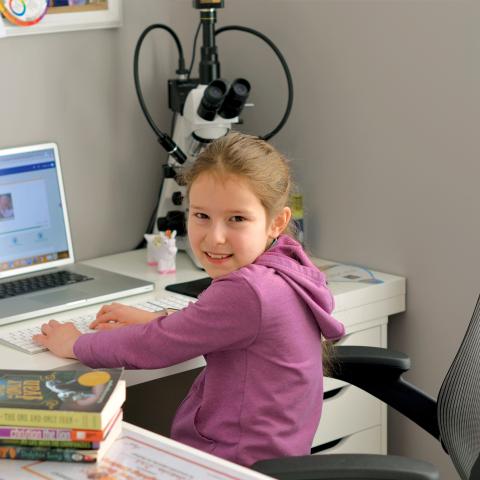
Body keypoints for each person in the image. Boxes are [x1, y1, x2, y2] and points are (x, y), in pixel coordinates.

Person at [33, 132, 345, 467]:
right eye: (201, 216)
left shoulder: (248, 291)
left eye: (237, 219)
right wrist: (158, 319)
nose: (215, 237)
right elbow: (218, 325)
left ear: (276, 223)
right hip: (265, 460)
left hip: (229, 466)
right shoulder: (286, 266)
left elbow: (155, 346)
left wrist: (76, 344)